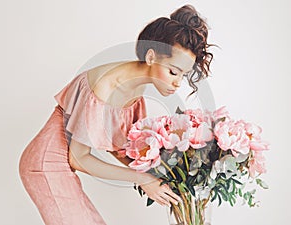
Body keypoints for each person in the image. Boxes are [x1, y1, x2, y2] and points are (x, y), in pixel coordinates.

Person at [19, 4, 213, 225]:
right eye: (173, 72)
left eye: (183, 75)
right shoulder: (106, 87)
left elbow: (120, 147)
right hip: (45, 166)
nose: (177, 83)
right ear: (151, 57)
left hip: (62, 164)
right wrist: (143, 180)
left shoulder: (136, 86)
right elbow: (79, 158)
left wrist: (171, 173)